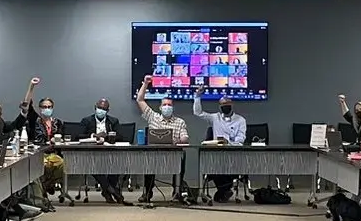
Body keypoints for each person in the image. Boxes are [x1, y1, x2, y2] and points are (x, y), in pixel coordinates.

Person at [133, 75, 190, 205]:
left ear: (173, 108)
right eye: (164, 105)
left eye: (169, 105)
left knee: (182, 156)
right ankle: (147, 193)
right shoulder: (153, 117)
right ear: (160, 108)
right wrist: (146, 84)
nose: (167, 107)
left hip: (173, 154)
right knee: (149, 160)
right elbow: (140, 100)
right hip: (155, 153)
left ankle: (177, 193)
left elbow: (185, 138)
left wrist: (181, 140)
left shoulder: (180, 122)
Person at [192, 85, 245, 203]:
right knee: (214, 164)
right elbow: (198, 113)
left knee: (224, 166)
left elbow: (240, 141)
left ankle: (223, 191)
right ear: (220, 107)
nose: (225, 107)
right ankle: (224, 191)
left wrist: (229, 143)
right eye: (223, 105)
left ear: (232, 105)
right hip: (217, 155)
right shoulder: (215, 118)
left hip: (233, 155)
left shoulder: (240, 120)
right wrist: (198, 96)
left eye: (227, 105)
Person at [83, 97, 126, 204]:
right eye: (99, 107)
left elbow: (120, 136)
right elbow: (78, 135)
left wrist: (106, 137)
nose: (101, 110)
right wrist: (94, 136)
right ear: (95, 107)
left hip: (109, 152)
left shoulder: (113, 121)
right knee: (92, 165)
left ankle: (107, 190)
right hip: (91, 153)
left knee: (117, 164)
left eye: (104, 108)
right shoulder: (87, 121)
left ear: (107, 110)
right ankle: (111, 190)